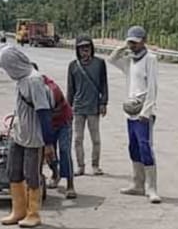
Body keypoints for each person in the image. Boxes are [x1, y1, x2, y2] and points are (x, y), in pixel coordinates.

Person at [0, 47, 55, 228]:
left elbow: (44, 113)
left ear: (13, 64)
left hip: (34, 137)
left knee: (32, 175)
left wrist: (48, 143)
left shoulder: (34, 80)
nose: (6, 72)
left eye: (6, 68)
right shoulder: (21, 80)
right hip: (19, 133)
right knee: (13, 172)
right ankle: (18, 210)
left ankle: (33, 213)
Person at [108, 26, 161, 204]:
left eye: (136, 42)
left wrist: (146, 112)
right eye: (131, 42)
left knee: (145, 147)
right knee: (133, 147)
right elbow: (112, 59)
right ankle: (137, 183)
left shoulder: (150, 59)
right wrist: (123, 46)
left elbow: (153, 88)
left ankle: (151, 187)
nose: (133, 45)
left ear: (144, 41)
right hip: (130, 111)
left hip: (144, 112)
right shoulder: (130, 61)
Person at [31, 62, 76, 199]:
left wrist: (48, 142)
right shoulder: (29, 87)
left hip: (62, 121)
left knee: (64, 150)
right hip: (46, 122)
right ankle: (55, 173)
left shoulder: (51, 90)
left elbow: (45, 114)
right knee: (47, 152)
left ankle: (70, 184)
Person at [67, 35, 109, 176]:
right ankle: (80, 166)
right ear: (77, 50)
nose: (85, 51)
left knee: (95, 139)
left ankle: (95, 165)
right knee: (78, 139)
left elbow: (104, 84)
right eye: (82, 48)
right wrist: (68, 108)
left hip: (93, 107)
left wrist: (103, 103)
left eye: (87, 47)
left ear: (92, 48)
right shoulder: (73, 66)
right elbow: (70, 89)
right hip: (78, 107)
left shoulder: (99, 63)